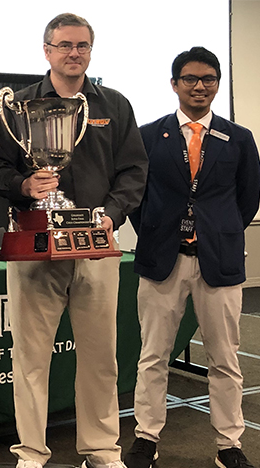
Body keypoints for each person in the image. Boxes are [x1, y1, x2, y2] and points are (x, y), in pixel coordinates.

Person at [0, 13, 148, 468]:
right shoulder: (19, 106)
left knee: (100, 357)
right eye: (64, 45)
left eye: (82, 46)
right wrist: (23, 187)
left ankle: (101, 449)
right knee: (31, 357)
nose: (73, 53)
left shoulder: (114, 105)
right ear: (47, 50)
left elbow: (134, 171)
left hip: (96, 247)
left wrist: (110, 218)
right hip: (36, 247)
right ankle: (31, 451)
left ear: (90, 51)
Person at [125, 47, 260, 468]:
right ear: (174, 84)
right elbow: (136, 197)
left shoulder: (238, 138)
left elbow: (248, 199)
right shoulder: (149, 135)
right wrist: (159, 229)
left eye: (208, 79)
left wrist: (217, 230)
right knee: (153, 356)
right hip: (163, 258)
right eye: (190, 79)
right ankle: (146, 438)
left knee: (224, 358)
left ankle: (229, 445)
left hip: (217, 262)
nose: (199, 86)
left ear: (217, 84)